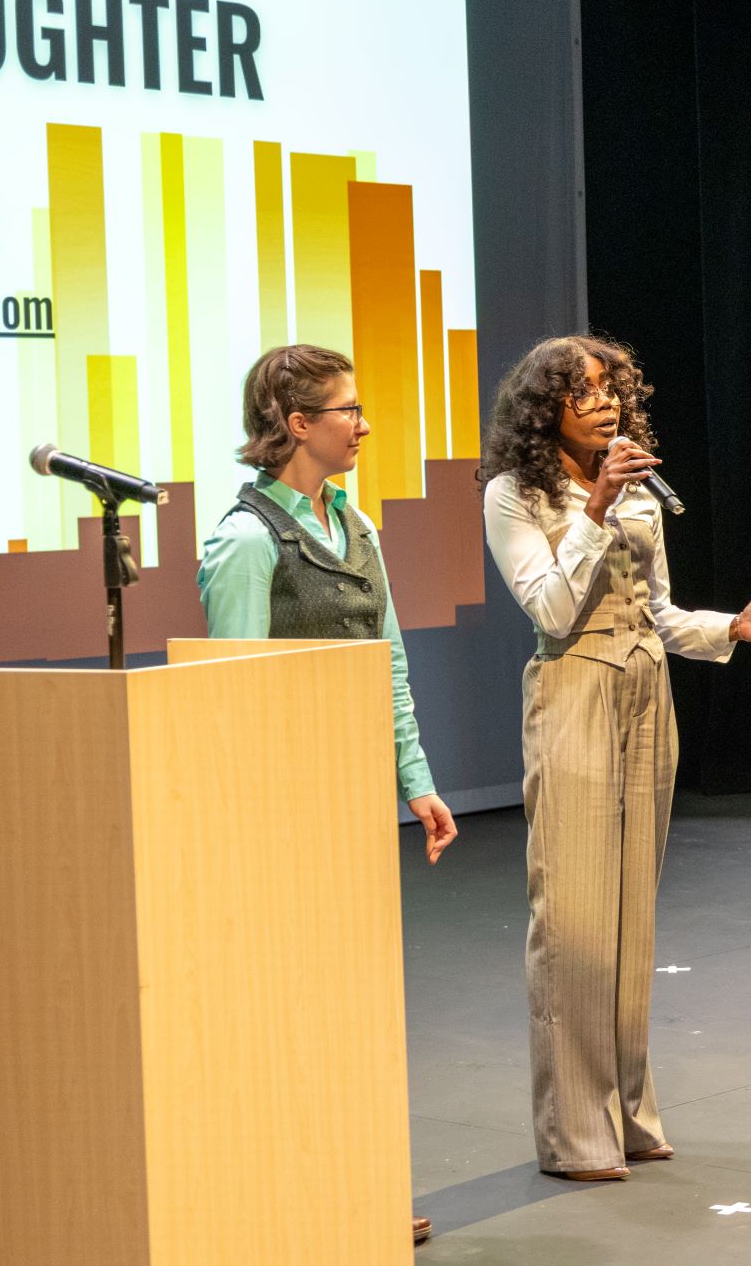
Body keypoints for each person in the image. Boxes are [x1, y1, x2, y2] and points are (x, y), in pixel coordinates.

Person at [480, 335, 751, 1181]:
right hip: (574, 689)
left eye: (611, 388)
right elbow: (554, 610)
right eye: (583, 391)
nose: (604, 402)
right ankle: (574, 1132)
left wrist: (729, 630)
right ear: (544, 409)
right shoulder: (514, 494)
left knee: (632, 917)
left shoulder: (635, 490)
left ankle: (627, 1110)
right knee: (576, 920)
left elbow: (659, 610)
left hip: (646, 690)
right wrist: (593, 510)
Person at [197, 343, 457, 1248]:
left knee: (359, 1003)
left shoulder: (359, 528)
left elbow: (388, 662)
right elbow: (233, 698)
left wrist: (415, 780)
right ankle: (287, 1191)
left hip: (349, 803)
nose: (364, 423)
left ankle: (365, 1184)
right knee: (286, 1004)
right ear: (296, 424)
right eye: (347, 409)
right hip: (281, 814)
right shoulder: (243, 539)